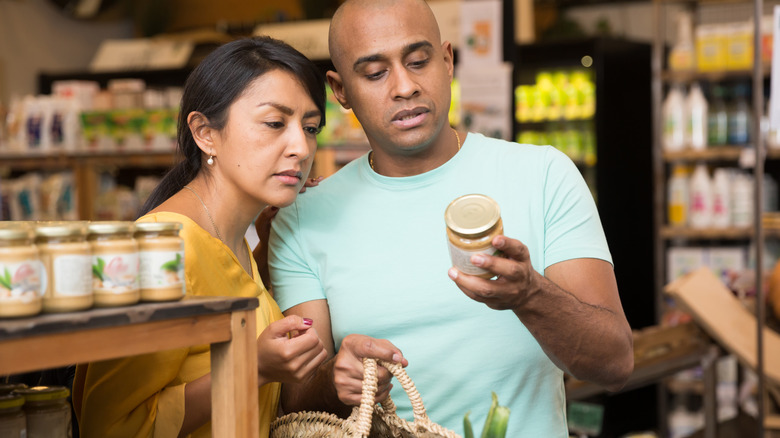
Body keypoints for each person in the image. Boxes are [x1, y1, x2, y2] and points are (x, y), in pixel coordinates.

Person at [266, 0, 634, 436]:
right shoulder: (303, 218)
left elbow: (615, 363)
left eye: (419, 61)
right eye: (375, 73)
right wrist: (333, 380)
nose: (404, 87)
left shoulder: (543, 174)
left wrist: (530, 295)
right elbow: (294, 399)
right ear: (340, 89)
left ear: (447, 61)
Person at [72, 36, 329, 437]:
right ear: (205, 133)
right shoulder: (161, 248)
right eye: (275, 123)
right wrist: (253, 368)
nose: (301, 146)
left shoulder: (237, 239)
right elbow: (109, 426)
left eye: (310, 127)